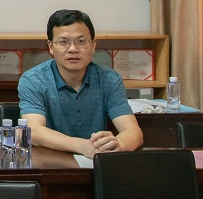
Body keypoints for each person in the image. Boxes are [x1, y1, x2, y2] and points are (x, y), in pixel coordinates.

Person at [18, 9, 144, 158]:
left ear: (93, 45)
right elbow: (34, 132)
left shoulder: (109, 80)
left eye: (81, 42)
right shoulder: (33, 80)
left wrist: (118, 145)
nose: (73, 49)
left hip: (95, 161)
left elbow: (134, 132)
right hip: (51, 162)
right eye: (63, 42)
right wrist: (83, 146)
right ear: (51, 47)